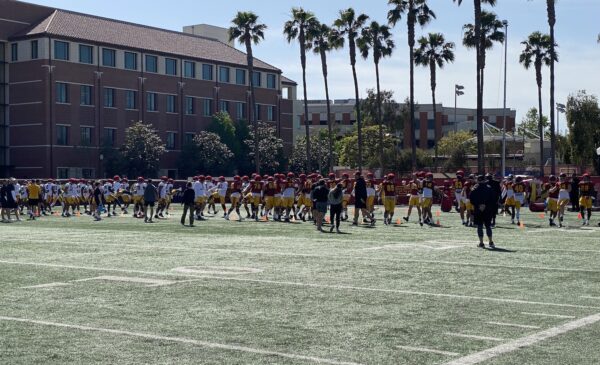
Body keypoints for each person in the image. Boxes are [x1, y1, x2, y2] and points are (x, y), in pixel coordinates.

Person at [470, 175, 496, 249]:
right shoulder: (489, 188)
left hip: (478, 210)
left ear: (478, 180)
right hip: (487, 209)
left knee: (480, 226)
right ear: (484, 180)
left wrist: (478, 205)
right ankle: (491, 242)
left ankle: (481, 243)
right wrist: (485, 205)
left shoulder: (474, 188)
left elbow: (471, 199)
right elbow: (493, 199)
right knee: (488, 226)